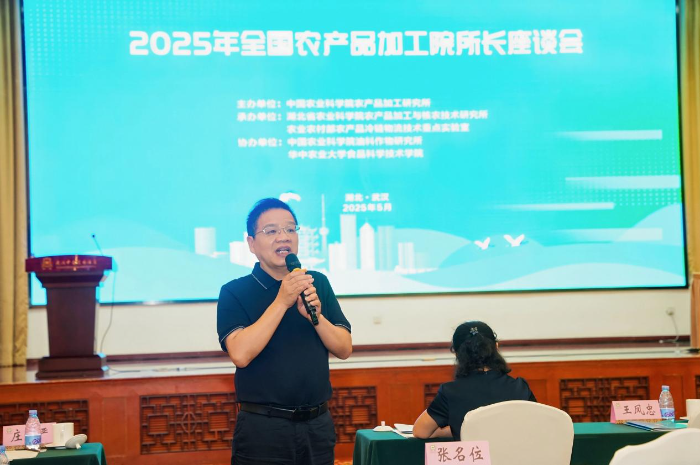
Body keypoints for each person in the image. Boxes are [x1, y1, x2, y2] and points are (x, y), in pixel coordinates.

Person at [217, 198, 352, 465]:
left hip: (317, 427)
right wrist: (282, 301)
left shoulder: (316, 282)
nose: (284, 237)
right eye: (271, 231)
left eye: (290, 229)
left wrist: (316, 318)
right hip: (263, 430)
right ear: (251, 244)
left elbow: (344, 348)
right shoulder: (234, 291)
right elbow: (240, 354)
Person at [413, 321, 536, 440]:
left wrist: (455, 429)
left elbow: (420, 431)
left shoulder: (450, 392)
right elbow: (537, 425)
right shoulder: (520, 387)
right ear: (496, 346)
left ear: (456, 353)